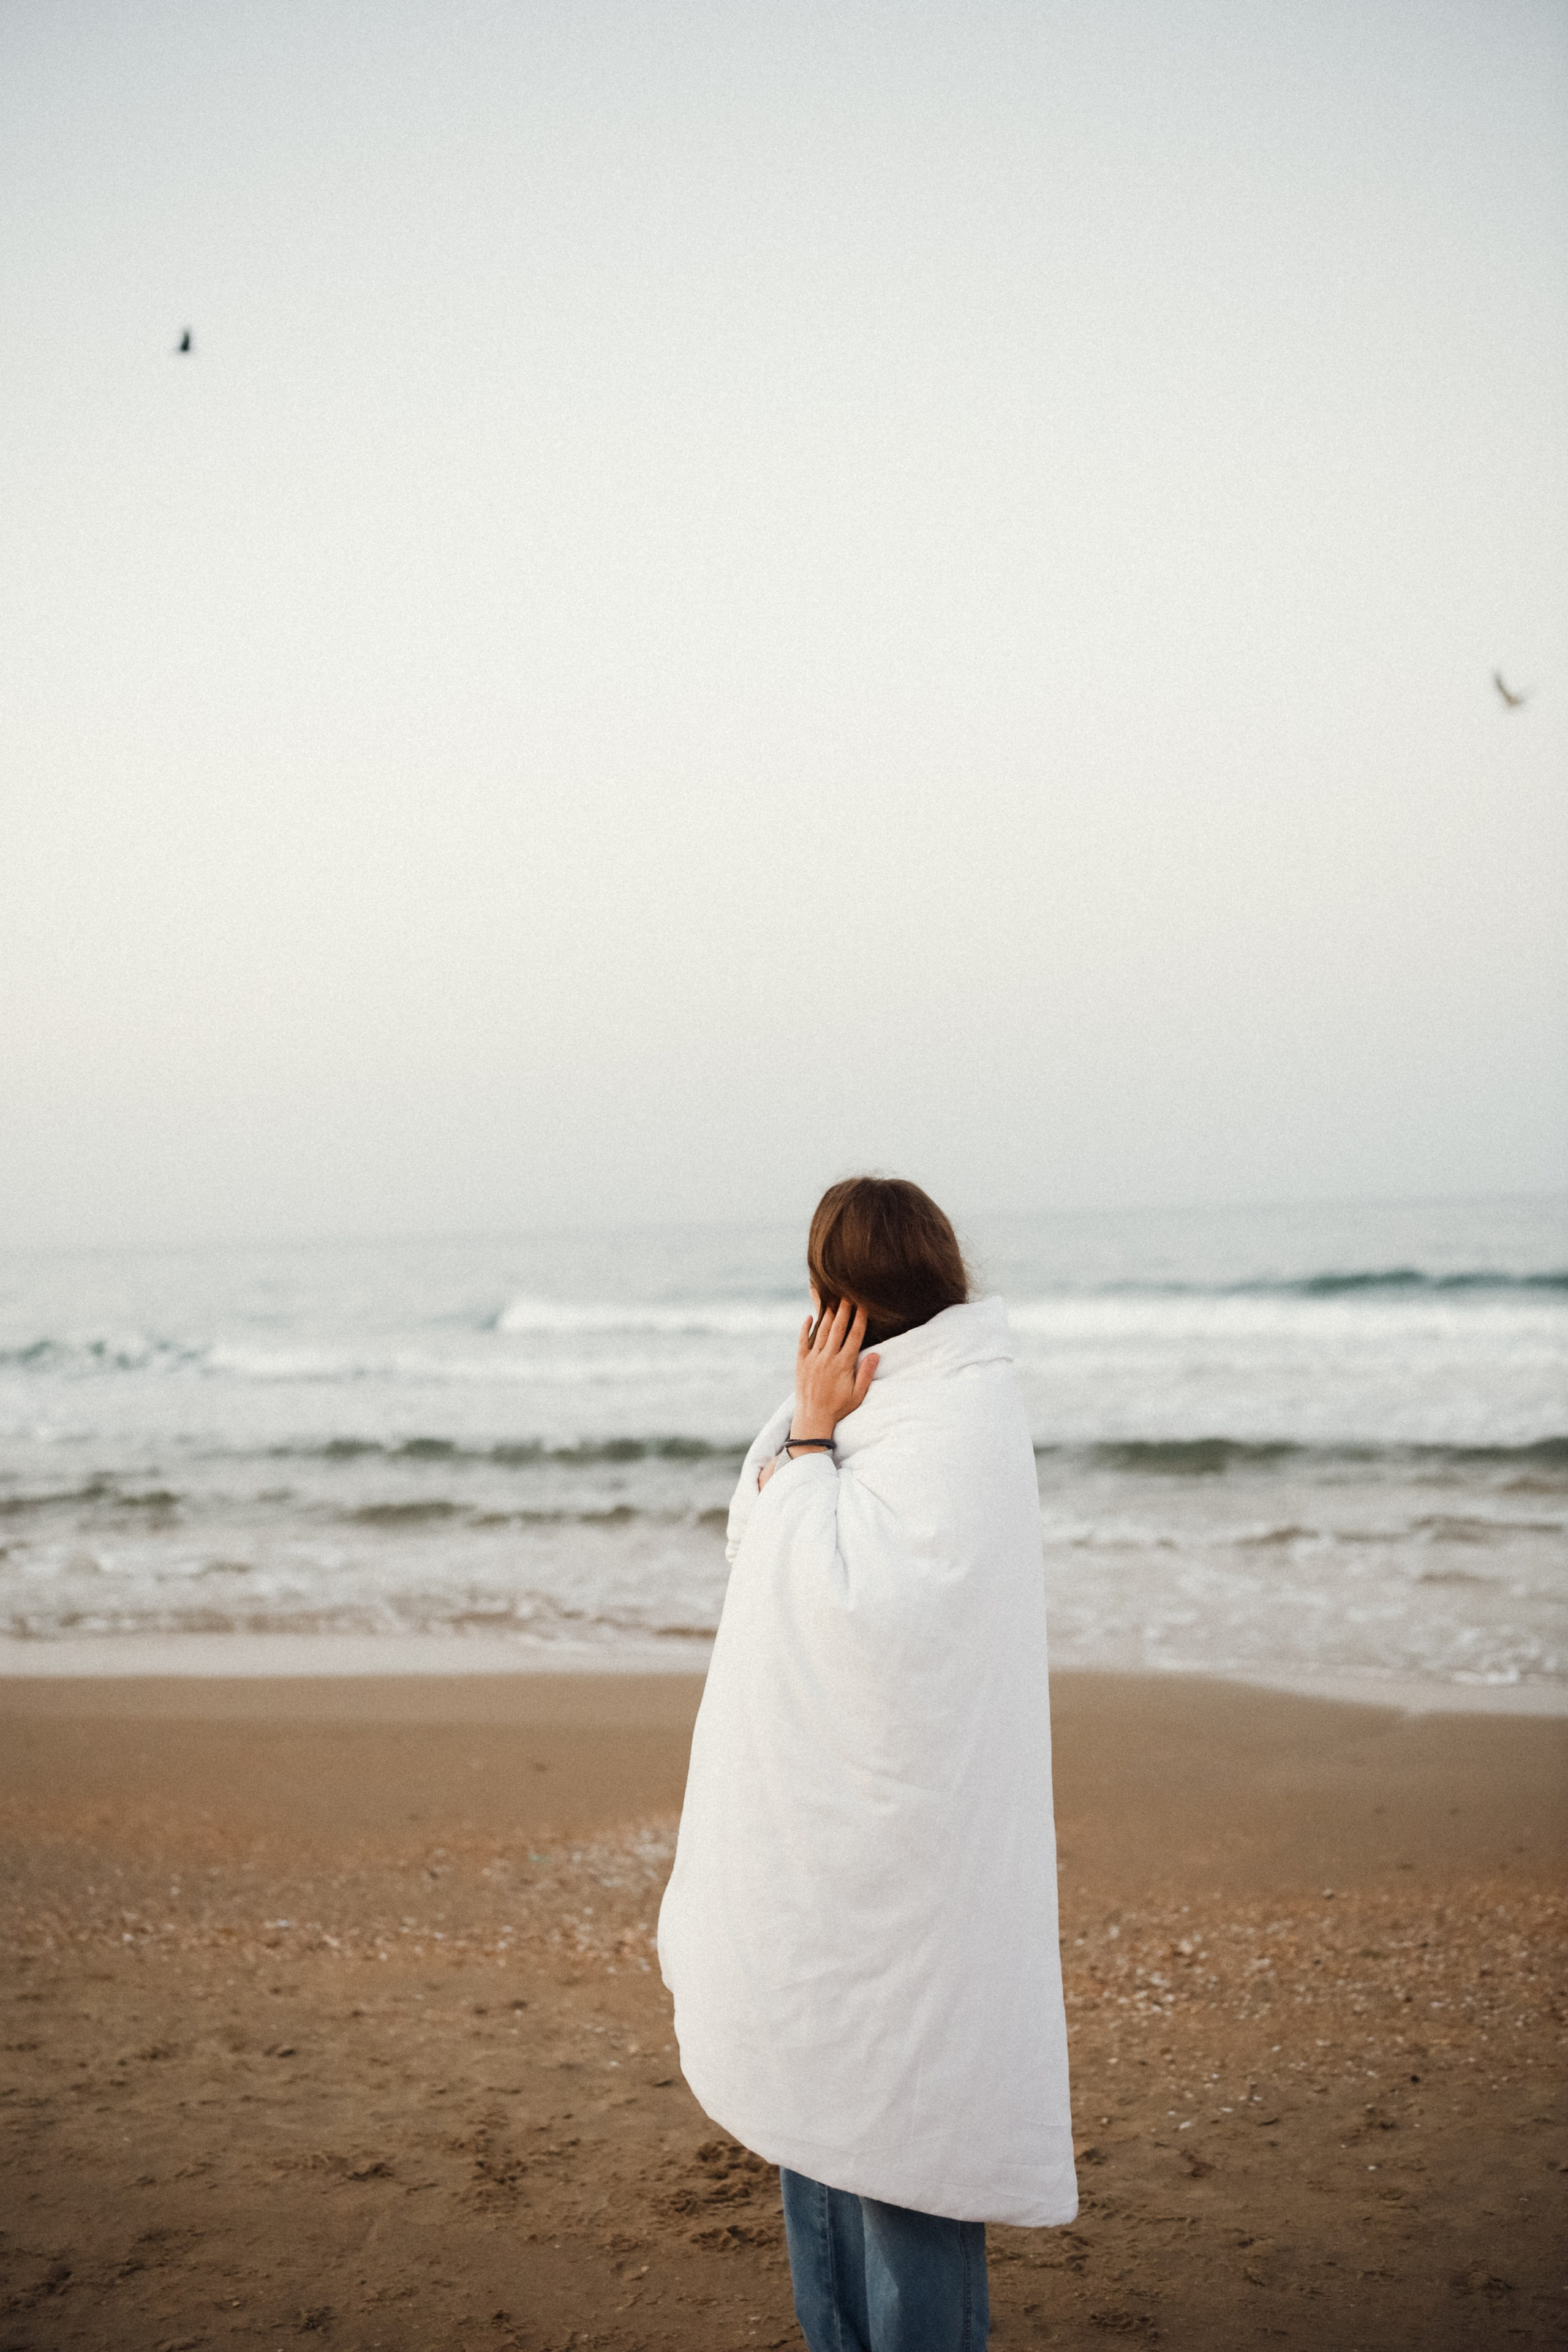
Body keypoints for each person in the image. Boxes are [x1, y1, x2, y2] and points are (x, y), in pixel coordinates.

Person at [658, 1176, 1076, 2352]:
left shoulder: (955, 1414)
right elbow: (774, 1541)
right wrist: (811, 1427)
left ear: (837, 1293)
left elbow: (866, 1608)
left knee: (911, 2145)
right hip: (838, 1846)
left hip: (917, 1856)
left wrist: (807, 1432)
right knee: (820, 2112)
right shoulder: (876, 1406)